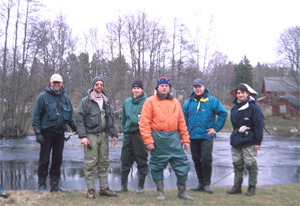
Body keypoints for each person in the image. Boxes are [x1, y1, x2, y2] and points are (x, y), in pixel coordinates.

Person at [139, 77, 194, 201]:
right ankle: (160, 192)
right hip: (158, 139)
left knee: (182, 164)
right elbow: (144, 123)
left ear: (169, 88)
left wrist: (185, 139)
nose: (164, 87)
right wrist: (148, 141)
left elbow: (182, 122)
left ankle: (182, 192)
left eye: (166, 86)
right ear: (157, 88)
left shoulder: (175, 102)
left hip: (174, 138)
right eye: (162, 85)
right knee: (157, 166)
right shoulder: (150, 102)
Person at [32, 74, 77, 194]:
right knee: (44, 160)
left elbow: (70, 118)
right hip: (46, 134)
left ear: (62, 83)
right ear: (50, 83)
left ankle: (55, 186)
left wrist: (77, 128)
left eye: (59, 82)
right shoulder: (42, 97)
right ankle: (41, 185)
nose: (57, 84)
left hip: (60, 134)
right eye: (54, 82)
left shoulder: (66, 99)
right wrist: (38, 133)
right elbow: (36, 117)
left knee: (57, 160)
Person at [75, 77, 118, 199]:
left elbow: (110, 119)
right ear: (93, 85)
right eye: (97, 84)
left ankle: (104, 188)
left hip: (104, 135)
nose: (99, 86)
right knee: (90, 162)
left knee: (104, 162)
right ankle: (90, 190)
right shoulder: (85, 101)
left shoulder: (107, 101)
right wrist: (83, 136)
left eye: (101, 84)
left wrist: (114, 134)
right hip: (90, 135)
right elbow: (79, 119)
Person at [182, 78, 228, 194]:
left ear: (204, 87)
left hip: (206, 137)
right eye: (195, 87)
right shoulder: (188, 103)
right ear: (193, 88)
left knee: (206, 159)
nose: (198, 89)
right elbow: (182, 121)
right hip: (193, 137)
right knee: (196, 160)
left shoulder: (212, 101)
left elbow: (223, 113)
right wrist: (183, 136)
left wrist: (216, 128)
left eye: (199, 87)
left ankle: (207, 183)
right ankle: (200, 183)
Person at [226, 83, 264, 196]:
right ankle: (237, 186)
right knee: (237, 164)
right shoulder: (234, 107)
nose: (240, 95)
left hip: (250, 140)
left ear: (247, 93)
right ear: (236, 94)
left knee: (251, 165)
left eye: (243, 93)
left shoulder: (254, 107)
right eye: (238, 93)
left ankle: (252, 187)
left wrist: (258, 142)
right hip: (236, 140)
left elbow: (259, 126)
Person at [116, 79, 148, 194]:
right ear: (132, 90)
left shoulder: (147, 102)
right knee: (125, 160)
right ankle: (123, 185)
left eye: (138, 88)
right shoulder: (127, 102)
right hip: (128, 134)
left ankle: (140, 186)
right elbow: (123, 119)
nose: (136, 90)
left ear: (142, 89)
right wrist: (125, 129)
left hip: (140, 135)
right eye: (134, 88)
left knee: (141, 160)